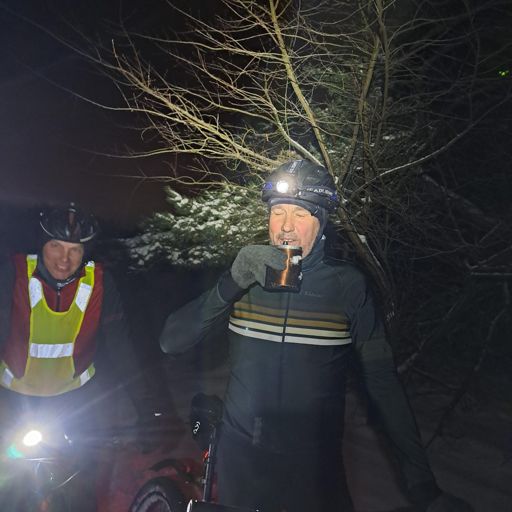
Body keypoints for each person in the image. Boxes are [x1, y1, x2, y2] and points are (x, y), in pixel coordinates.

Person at [159, 160, 473, 512]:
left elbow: (383, 383)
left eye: (301, 214)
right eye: (278, 212)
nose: (286, 227)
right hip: (241, 461)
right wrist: (232, 282)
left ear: (321, 222)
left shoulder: (347, 287)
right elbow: (172, 341)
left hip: (313, 467)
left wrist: (422, 484)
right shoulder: (245, 275)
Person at [0, 202, 147, 510]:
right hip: (13, 400)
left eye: (75, 250)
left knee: (79, 487)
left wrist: (146, 409)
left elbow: (121, 346)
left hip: (75, 401)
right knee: (11, 486)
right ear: (42, 245)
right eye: (56, 246)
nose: (64, 259)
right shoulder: (13, 274)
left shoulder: (100, 283)